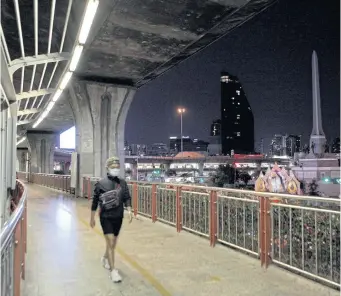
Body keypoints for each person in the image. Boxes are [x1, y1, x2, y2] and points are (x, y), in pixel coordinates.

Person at [90, 156, 133, 283]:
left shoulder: (123, 183)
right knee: (110, 241)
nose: (116, 169)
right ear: (107, 168)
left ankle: (105, 257)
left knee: (112, 243)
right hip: (105, 217)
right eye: (113, 167)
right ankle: (113, 271)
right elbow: (94, 202)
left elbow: (126, 197)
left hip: (118, 217)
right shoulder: (100, 184)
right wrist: (92, 218)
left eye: (117, 167)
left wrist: (129, 210)